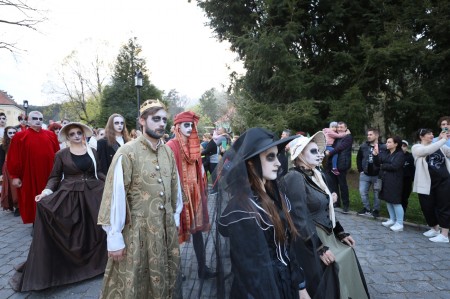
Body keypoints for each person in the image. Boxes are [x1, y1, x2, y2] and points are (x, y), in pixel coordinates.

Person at [98, 99, 181, 298]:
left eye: (163, 119)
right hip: (137, 232)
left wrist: (174, 216)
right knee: (135, 281)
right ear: (142, 121)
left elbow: (174, 188)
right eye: (155, 119)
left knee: (164, 276)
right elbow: (115, 194)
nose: (161, 123)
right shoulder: (127, 152)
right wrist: (114, 236)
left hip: (164, 230)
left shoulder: (168, 152)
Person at [9, 122, 107, 291]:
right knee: (73, 229)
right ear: (67, 137)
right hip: (70, 194)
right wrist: (45, 193)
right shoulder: (61, 154)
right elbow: (54, 177)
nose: (76, 136)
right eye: (72, 134)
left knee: (97, 228)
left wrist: (112, 185)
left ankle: (97, 263)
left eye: (79, 133)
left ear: (83, 134)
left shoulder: (93, 152)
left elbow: (99, 173)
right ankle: (72, 265)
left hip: (92, 193)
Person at [216, 127, 310, 299]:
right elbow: (249, 272)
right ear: (251, 163)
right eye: (270, 157)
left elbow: (288, 250)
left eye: (276, 155)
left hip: (286, 284)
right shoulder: (242, 210)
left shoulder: (276, 197)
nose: (279, 163)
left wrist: (300, 286)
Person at [282, 131, 369, 299]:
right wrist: (319, 248)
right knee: (334, 263)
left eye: (319, 151)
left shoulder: (318, 175)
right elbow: (299, 217)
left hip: (326, 234)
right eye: (313, 151)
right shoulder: (294, 177)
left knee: (348, 251)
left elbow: (327, 208)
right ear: (299, 155)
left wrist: (340, 231)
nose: (319, 154)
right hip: (308, 238)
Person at [166, 111, 215, 279]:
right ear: (177, 126)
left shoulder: (194, 144)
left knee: (198, 233)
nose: (190, 128)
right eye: (186, 125)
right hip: (179, 197)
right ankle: (175, 272)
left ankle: (203, 269)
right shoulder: (171, 146)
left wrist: (202, 189)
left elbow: (200, 168)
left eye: (192, 125)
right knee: (175, 234)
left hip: (195, 195)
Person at [7, 111, 60, 224]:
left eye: (41, 119)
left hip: (49, 173)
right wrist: (15, 176)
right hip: (29, 174)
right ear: (29, 120)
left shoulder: (51, 135)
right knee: (32, 199)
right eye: (35, 118)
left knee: (50, 196)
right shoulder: (19, 136)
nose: (38, 121)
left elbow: (58, 154)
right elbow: (13, 157)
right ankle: (36, 224)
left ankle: (50, 223)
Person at [412, 128, 450, 243]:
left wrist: (443, 140)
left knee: (443, 207)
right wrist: (442, 140)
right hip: (426, 183)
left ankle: (444, 235)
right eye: (428, 134)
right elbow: (426, 151)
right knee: (427, 207)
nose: (431, 135)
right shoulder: (416, 148)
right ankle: (434, 228)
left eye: (432, 133)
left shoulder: (441, 146)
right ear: (421, 137)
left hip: (443, 181)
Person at [373, 136, 405, 232]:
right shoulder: (386, 153)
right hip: (384, 179)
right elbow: (378, 163)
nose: (387, 144)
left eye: (389, 142)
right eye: (387, 142)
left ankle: (399, 223)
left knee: (395, 201)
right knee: (387, 199)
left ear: (396, 144)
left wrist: (383, 166)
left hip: (395, 181)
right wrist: (375, 155)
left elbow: (395, 166)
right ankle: (392, 219)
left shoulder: (400, 154)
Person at [325, 121, 353, 213]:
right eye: (338, 127)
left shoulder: (348, 137)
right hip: (332, 165)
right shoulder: (335, 136)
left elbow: (340, 147)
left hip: (342, 164)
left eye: (341, 127)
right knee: (333, 185)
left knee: (343, 185)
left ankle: (346, 205)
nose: (339, 129)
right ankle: (336, 202)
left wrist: (330, 153)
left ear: (346, 128)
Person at [356, 128, 384, 218]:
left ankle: (376, 210)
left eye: (370, 134)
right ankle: (367, 209)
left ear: (377, 135)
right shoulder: (364, 146)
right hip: (365, 174)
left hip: (377, 175)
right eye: (368, 135)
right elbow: (359, 158)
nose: (368, 136)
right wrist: (360, 170)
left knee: (377, 193)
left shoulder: (383, 147)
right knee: (362, 192)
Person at [0, 126, 18, 213]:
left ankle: (18, 206)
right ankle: (12, 205)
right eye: (10, 133)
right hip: (7, 168)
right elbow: (1, 159)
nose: (12, 135)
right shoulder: (3, 146)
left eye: (14, 132)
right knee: (9, 188)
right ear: (6, 134)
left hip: (18, 167)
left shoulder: (20, 143)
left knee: (17, 188)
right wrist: (1, 174)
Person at [401, 140, 415, 213]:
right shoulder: (395, 155)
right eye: (401, 146)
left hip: (407, 180)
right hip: (397, 179)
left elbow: (413, 169)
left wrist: (412, 179)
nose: (402, 148)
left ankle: (403, 211)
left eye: (404, 146)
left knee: (405, 197)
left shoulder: (410, 156)